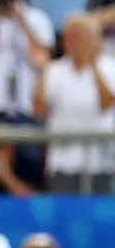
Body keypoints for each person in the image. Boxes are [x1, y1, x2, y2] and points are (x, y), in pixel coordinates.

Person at [34, 14, 115, 193]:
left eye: (80, 36)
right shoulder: (54, 69)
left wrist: (93, 66)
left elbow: (108, 104)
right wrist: (43, 71)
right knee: (65, 217)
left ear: (95, 38)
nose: (74, 42)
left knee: (100, 219)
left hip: (101, 162)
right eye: (70, 37)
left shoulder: (110, 66)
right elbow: (39, 110)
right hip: (62, 162)